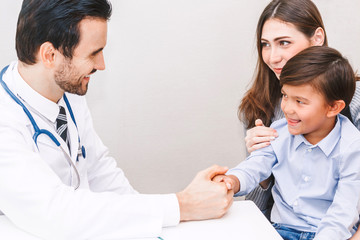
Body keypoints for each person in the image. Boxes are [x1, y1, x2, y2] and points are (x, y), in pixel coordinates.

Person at [0, 0, 233, 239]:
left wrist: (148, 230)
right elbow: (54, 212)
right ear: (50, 55)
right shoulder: (5, 122)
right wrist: (182, 206)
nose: (101, 65)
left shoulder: (68, 91)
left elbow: (99, 169)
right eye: (93, 53)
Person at [214, 46, 360, 240]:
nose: (288, 108)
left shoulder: (352, 147)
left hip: (326, 233)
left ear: (334, 107)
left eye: (300, 101)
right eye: (285, 96)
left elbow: (344, 210)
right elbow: (255, 164)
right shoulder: (280, 131)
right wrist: (233, 180)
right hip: (278, 229)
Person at [240, 0, 360, 220]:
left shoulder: (356, 102)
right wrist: (262, 173)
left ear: (317, 39)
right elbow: (258, 209)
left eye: (284, 42)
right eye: (265, 44)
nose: (272, 57)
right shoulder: (258, 105)